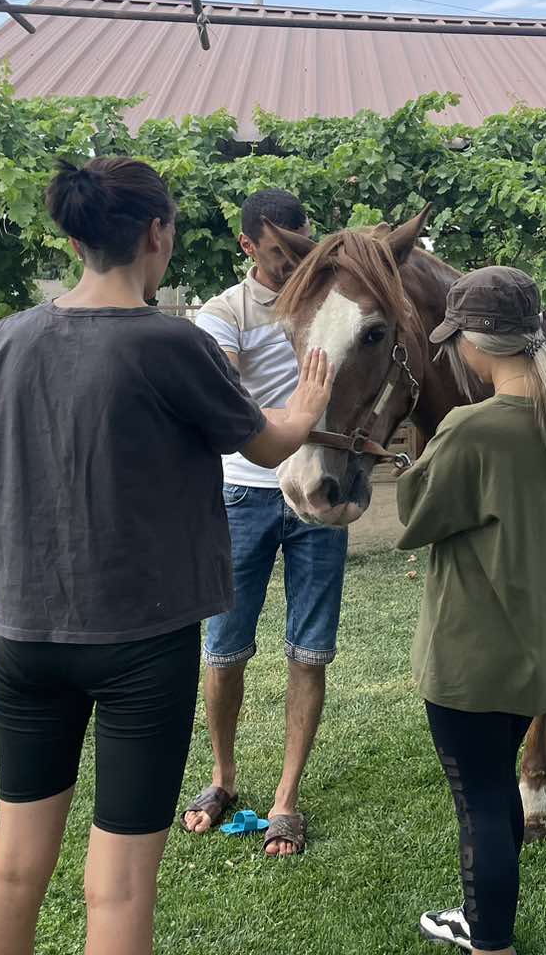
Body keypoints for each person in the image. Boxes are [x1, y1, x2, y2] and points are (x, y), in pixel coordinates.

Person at [0, 158, 332, 955]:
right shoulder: (171, 342)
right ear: (159, 232)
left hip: (22, 645)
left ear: (72, 234)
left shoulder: (6, 339)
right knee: (118, 883)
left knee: (14, 870)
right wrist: (308, 404)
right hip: (140, 652)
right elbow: (266, 447)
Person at [395, 267, 546, 954]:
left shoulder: (470, 429)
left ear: (475, 343)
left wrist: (411, 462)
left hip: (472, 659)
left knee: (479, 800)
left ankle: (490, 943)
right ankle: (482, 922)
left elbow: (414, 516)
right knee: (493, 790)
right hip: (536, 655)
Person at [180, 189, 351, 857]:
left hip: (317, 495)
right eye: (280, 253)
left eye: (302, 247)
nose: (293, 264)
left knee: (310, 648)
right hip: (243, 495)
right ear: (248, 246)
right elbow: (222, 401)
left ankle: (285, 799)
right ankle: (223, 777)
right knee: (224, 647)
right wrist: (300, 413)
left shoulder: (332, 298)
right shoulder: (224, 313)